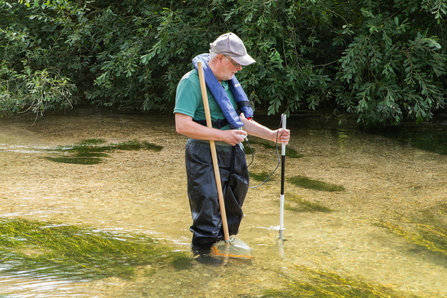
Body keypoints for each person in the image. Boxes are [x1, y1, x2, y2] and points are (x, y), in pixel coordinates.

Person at [174, 32, 290, 253]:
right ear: (220, 59)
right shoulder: (192, 82)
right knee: (207, 212)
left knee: (232, 209)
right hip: (203, 153)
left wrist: (273, 135)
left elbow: (240, 121)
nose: (239, 69)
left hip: (232, 153)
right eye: (236, 64)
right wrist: (223, 136)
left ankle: (224, 250)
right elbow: (182, 126)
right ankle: (204, 260)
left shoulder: (227, 83)